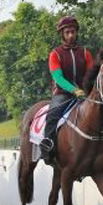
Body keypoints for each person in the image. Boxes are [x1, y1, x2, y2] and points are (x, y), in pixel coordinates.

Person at [40, 16, 94, 164]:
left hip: (84, 94)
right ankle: (48, 147)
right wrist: (74, 90)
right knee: (52, 116)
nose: (71, 35)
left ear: (77, 33)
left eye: (73, 32)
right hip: (63, 95)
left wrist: (86, 90)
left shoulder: (85, 53)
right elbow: (58, 78)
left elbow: (90, 75)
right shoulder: (55, 54)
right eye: (68, 32)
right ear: (62, 34)